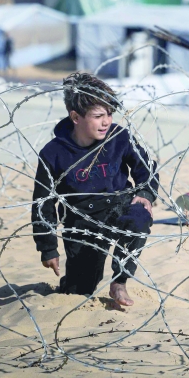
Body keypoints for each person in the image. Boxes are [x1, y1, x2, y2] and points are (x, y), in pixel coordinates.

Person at [31, 72, 158, 310]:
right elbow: (43, 204)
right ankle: (74, 282)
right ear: (76, 117)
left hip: (120, 207)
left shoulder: (119, 137)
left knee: (140, 216)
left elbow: (146, 168)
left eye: (109, 114)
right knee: (79, 291)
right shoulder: (54, 154)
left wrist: (146, 194)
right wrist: (48, 247)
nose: (106, 122)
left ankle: (120, 281)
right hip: (82, 222)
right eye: (98, 116)